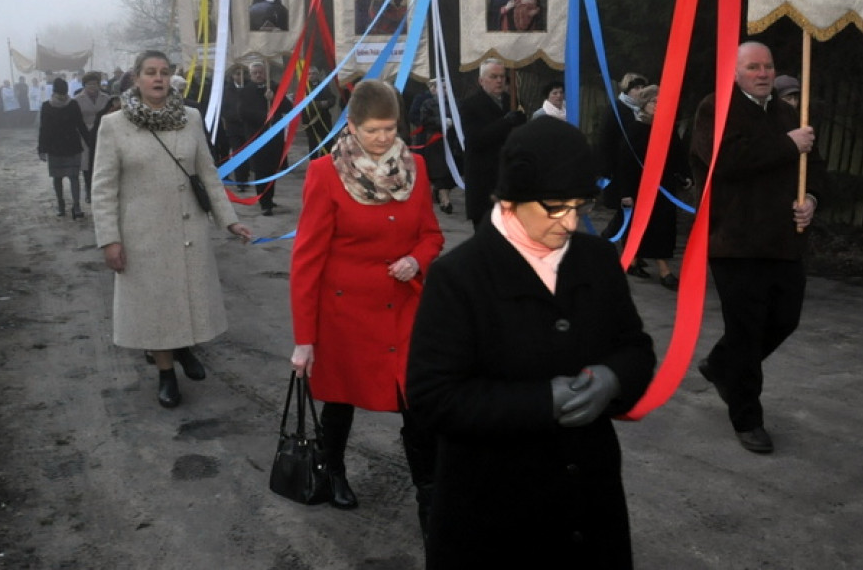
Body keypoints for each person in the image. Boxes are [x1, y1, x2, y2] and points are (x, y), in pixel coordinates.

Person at [407, 116, 656, 568]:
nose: (571, 221)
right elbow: (432, 397)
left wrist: (614, 379)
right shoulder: (459, 277)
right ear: (512, 198)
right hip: (492, 518)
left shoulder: (598, 260)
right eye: (555, 206)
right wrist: (541, 401)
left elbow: (635, 346)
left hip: (589, 508)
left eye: (580, 205)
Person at [289, 79, 444, 526]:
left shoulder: (415, 167)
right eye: (373, 129)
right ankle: (333, 469)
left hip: (404, 309)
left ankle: (430, 493)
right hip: (347, 314)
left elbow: (431, 234)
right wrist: (304, 339)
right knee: (340, 401)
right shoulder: (325, 173)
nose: (383, 137)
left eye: (390, 128)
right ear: (353, 126)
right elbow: (307, 260)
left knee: (415, 401)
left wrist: (417, 259)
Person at [92, 50, 253, 409]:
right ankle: (166, 373)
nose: (158, 78)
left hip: (188, 228)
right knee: (155, 306)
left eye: (164, 72)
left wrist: (230, 220)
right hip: (142, 235)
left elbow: (207, 174)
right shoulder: (114, 125)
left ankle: (182, 347)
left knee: (186, 296)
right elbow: (102, 188)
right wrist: (110, 239)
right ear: (136, 78)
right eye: (150, 72)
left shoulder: (191, 118)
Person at [690, 41, 826, 454]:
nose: (763, 73)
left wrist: (812, 199)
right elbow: (726, 160)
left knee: (785, 319)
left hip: (783, 239)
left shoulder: (788, 114)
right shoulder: (715, 108)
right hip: (734, 240)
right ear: (734, 73)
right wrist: (788, 144)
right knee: (746, 333)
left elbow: (814, 167)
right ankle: (747, 418)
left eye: (768, 66)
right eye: (753, 67)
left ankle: (721, 363)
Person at [616, 85, 690, 289]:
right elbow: (625, 164)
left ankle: (633, 260)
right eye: (653, 102)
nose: (657, 105)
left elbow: (679, 154)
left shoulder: (667, 127)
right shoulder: (635, 129)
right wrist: (626, 193)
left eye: (660, 102)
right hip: (640, 187)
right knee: (646, 225)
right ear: (644, 104)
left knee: (663, 225)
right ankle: (664, 270)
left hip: (664, 186)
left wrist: (685, 175)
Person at [460, 58, 526, 228]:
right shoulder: (470, 105)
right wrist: (505, 122)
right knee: (485, 230)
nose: (499, 80)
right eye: (493, 76)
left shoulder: (512, 102)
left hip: (508, 176)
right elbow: (475, 139)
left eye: (502, 77)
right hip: (484, 177)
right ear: (481, 80)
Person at [597, 72, 649, 243]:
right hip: (619, 166)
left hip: (637, 167)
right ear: (627, 90)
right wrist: (607, 169)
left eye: (643, 87)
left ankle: (623, 244)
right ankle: (611, 240)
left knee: (632, 208)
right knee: (626, 207)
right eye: (636, 88)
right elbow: (605, 140)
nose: (640, 91)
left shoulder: (641, 110)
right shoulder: (616, 109)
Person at [240, 61, 293, 215]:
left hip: (275, 136)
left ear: (266, 73)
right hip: (257, 137)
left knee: (272, 169)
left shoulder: (274, 87)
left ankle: (269, 197)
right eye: (255, 73)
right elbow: (243, 113)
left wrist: (274, 98)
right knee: (261, 170)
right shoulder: (245, 91)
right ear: (250, 75)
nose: (258, 75)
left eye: (261, 72)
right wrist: (266, 116)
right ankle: (264, 202)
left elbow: (288, 107)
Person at [37, 77, 90, 219]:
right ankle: (61, 205)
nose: (62, 97)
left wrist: (90, 142)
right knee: (57, 178)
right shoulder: (46, 106)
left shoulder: (73, 104)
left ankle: (76, 206)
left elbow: (81, 125)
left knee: (74, 177)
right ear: (54, 92)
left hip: (72, 146)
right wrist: (41, 149)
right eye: (59, 94)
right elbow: (43, 129)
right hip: (55, 147)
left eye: (64, 94)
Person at [418, 79, 460, 213]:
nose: (444, 90)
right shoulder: (428, 103)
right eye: (441, 88)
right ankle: (445, 200)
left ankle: (442, 193)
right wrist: (440, 122)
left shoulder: (454, 102)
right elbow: (424, 120)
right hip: (435, 142)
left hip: (452, 141)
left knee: (451, 172)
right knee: (440, 170)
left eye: (446, 88)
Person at [75, 71, 112, 203]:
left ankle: (101, 190)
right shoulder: (77, 99)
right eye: (89, 84)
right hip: (85, 133)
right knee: (87, 164)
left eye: (95, 84)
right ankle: (88, 190)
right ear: (84, 85)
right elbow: (77, 120)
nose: (92, 87)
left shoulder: (106, 98)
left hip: (103, 131)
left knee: (101, 162)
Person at [221, 64, 251, 192]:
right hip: (233, 128)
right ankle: (240, 182)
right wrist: (235, 117)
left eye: (243, 74)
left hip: (248, 126)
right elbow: (223, 109)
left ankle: (245, 177)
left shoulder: (250, 88)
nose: (241, 77)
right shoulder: (227, 90)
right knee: (238, 153)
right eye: (238, 74)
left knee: (247, 154)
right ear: (233, 76)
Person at [301, 65, 337, 159]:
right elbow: (304, 104)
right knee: (313, 146)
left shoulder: (324, 85)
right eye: (309, 74)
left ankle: (323, 162)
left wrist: (328, 103)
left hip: (324, 120)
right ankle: (314, 164)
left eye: (314, 73)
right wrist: (320, 104)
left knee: (327, 143)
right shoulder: (303, 88)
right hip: (311, 122)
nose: (312, 75)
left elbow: (332, 99)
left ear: (317, 75)